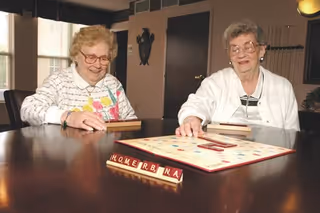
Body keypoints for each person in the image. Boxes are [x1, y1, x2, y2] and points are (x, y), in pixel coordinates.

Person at [176, 20, 299, 137]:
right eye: (234, 49)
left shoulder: (283, 87)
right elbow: (196, 104)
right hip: (223, 155)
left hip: (270, 156)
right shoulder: (216, 82)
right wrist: (191, 119)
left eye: (248, 47)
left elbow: (292, 136)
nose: (241, 54)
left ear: (261, 50)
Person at [21, 25, 137, 131]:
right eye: (91, 57)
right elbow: (28, 109)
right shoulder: (59, 81)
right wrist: (68, 117)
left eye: (104, 58)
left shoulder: (112, 83)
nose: (97, 65)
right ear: (76, 56)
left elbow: (131, 120)